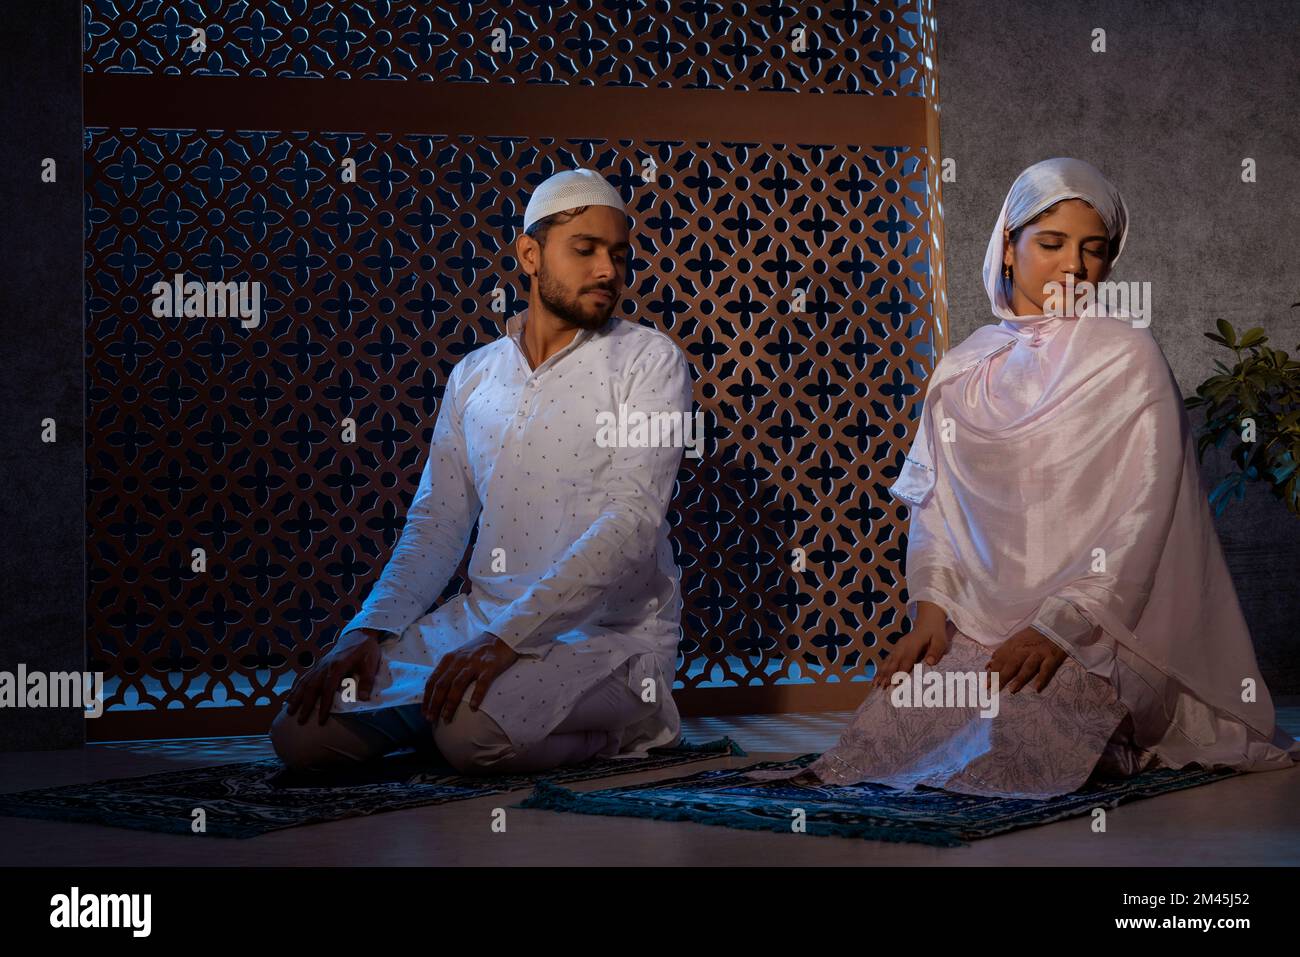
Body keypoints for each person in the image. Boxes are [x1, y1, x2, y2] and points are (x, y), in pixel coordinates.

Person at [749, 156, 1299, 798]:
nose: (1073, 267)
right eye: (1051, 243)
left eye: (1094, 251)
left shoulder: (1125, 354)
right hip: (979, 621)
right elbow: (935, 509)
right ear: (1007, 247)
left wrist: (1057, 627)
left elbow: (1141, 521)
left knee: (1022, 730)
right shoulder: (965, 368)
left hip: (1102, 629)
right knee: (889, 732)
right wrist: (930, 614)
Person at [270, 168, 693, 775]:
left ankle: (626, 730)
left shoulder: (650, 361)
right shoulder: (474, 374)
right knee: (302, 735)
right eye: (586, 250)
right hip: (479, 622)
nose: (608, 270)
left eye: (618, 255)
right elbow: (438, 520)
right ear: (529, 254)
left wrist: (510, 639)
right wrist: (369, 631)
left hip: (610, 638)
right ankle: (444, 716)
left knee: (469, 736)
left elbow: (632, 522)